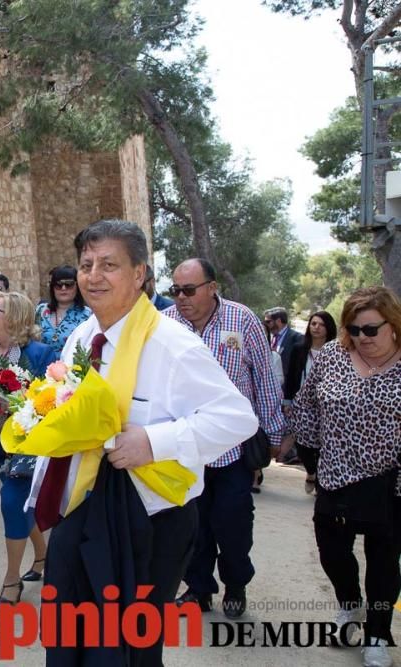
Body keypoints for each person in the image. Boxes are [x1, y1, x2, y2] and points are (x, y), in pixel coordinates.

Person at [18, 220, 257, 665]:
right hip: (85, 509)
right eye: (86, 264)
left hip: (152, 521)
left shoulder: (171, 343)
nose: (93, 276)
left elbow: (237, 418)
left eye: (109, 265)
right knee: (73, 634)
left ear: (139, 274)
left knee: (132, 648)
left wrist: (153, 440)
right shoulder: (83, 336)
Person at [283, 286, 401, 667]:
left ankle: (379, 635)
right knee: (333, 553)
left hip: (391, 481)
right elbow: (306, 407)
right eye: (353, 329)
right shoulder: (334, 356)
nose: (361, 338)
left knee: (383, 561)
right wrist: (312, 457)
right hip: (335, 474)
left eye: (371, 330)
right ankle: (350, 606)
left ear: (393, 325)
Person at [166, 258, 286, 618]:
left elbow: (263, 377)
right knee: (192, 525)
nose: (181, 298)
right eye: (176, 291)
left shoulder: (242, 319)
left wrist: (274, 431)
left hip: (233, 449)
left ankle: (236, 584)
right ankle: (198, 588)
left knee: (233, 523)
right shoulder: (167, 324)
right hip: (186, 447)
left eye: (189, 290)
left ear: (212, 287)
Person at [0, 291, 57, 607]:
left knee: (12, 503)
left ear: (15, 318)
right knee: (23, 505)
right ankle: (43, 555)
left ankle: (11, 580)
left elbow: (53, 400)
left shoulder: (40, 354)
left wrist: (17, 409)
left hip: (29, 448)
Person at [283, 310, 337, 494]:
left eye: (321, 324)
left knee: (324, 441)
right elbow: (291, 376)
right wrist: (287, 400)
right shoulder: (300, 348)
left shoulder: (337, 350)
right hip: (302, 402)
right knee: (303, 441)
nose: (316, 327)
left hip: (327, 403)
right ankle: (312, 471)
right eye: (313, 323)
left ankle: (321, 480)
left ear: (328, 328)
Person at [35, 265, 91, 353]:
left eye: (69, 284)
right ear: (52, 288)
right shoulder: (40, 311)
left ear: (78, 286)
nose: (63, 288)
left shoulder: (88, 315)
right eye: (58, 285)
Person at [265, 307, 304, 381]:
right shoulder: (267, 337)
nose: (266, 325)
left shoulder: (297, 338)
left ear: (279, 321)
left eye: (268, 322)